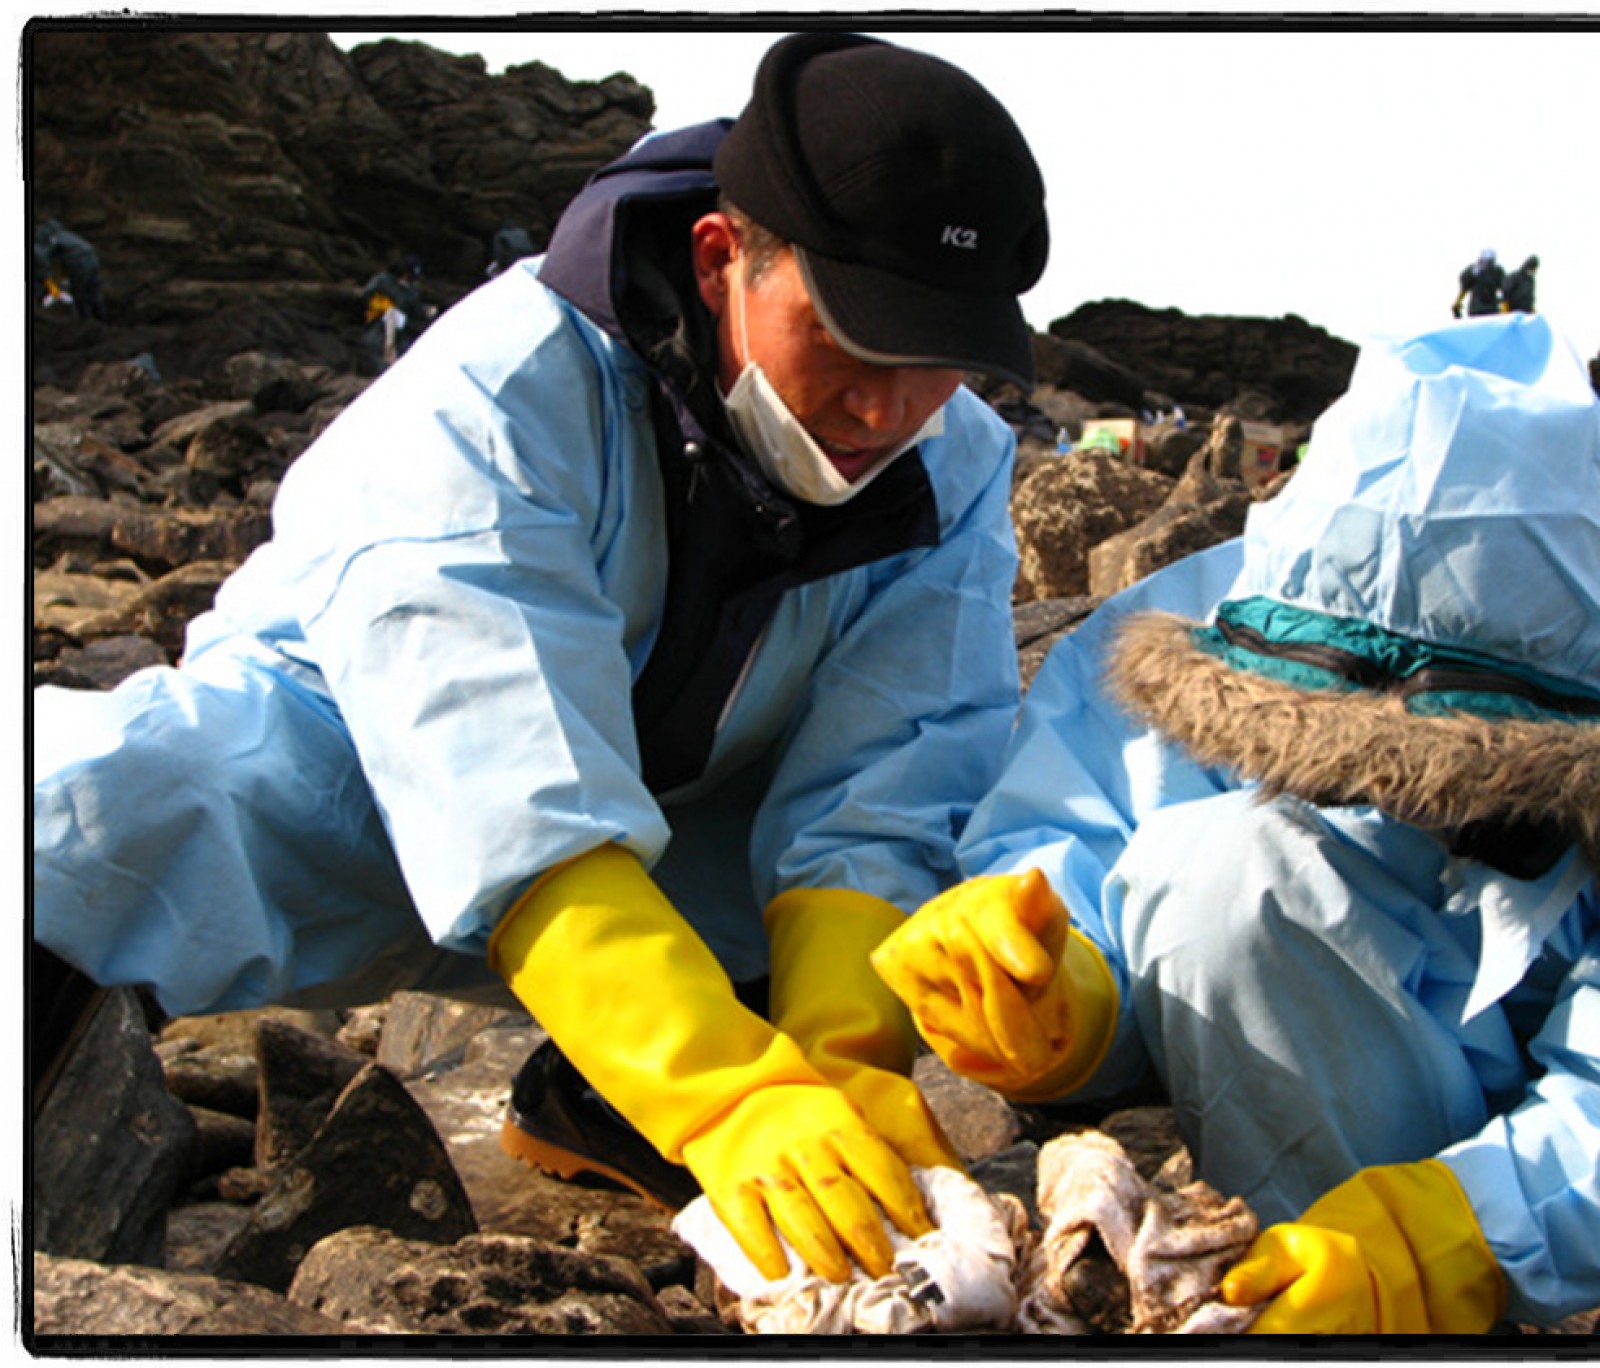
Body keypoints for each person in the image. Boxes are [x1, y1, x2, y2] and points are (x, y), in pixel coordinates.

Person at [33, 32, 1048, 1289]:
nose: (885, 411)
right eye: (848, 340)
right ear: (725, 260)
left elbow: (892, 773)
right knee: (94, 816)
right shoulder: (501, 386)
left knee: (912, 885)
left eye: (932, 358)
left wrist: (835, 1060)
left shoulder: (951, 465)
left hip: (678, 824)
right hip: (347, 788)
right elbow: (499, 770)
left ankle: (603, 1093)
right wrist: (725, 1090)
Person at [872, 314, 1600, 1335]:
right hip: (1362, 1039)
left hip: (1578, 1087)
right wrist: (1059, 989)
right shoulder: (1237, 616)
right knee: (1220, 869)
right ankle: (1297, 1301)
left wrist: (1452, 1237)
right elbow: (1081, 843)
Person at [359, 254, 429, 366]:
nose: (408, 279)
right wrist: (384, 306)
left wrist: (426, 311)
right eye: (408, 274)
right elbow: (367, 296)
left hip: (400, 328)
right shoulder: (384, 280)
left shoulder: (412, 291)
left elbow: (416, 312)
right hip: (378, 321)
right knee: (376, 348)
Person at [34, 218, 106, 320]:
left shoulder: (39, 241)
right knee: (93, 290)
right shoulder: (58, 233)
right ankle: (101, 319)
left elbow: (42, 262)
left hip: (78, 261)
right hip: (91, 256)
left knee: (80, 295)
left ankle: (87, 324)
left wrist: (48, 281)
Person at [1452, 247, 1504, 317]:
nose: (1487, 264)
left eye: (1490, 261)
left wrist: (1504, 303)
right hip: (1476, 308)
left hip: (1492, 307)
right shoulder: (1473, 270)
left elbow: (1504, 287)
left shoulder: (1497, 271)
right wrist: (1458, 302)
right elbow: (1464, 286)